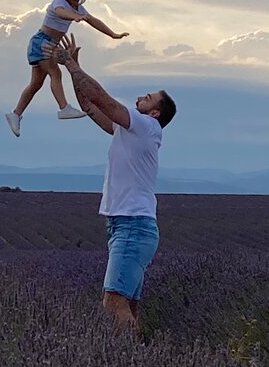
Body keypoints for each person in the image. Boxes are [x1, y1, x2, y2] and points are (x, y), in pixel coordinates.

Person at [45, 34, 177, 336]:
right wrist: (72, 68)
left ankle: (127, 357)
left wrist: (73, 66)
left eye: (149, 97)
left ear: (155, 112)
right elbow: (91, 107)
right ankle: (140, 355)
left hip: (133, 224)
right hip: (128, 224)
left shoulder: (145, 125)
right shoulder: (131, 129)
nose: (142, 97)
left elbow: (103, 99)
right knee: (127, 305)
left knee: (112, 302)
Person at [5, 0, 129, 137]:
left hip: (47, 45)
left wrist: (113, 34)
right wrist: (76, 16)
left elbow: (93, 20)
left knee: (36, 84)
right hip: (42, 44)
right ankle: (63, 108)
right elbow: (63, 13)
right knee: (56, 74)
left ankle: (16, 114)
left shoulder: (77, 8)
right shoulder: (59, 4)